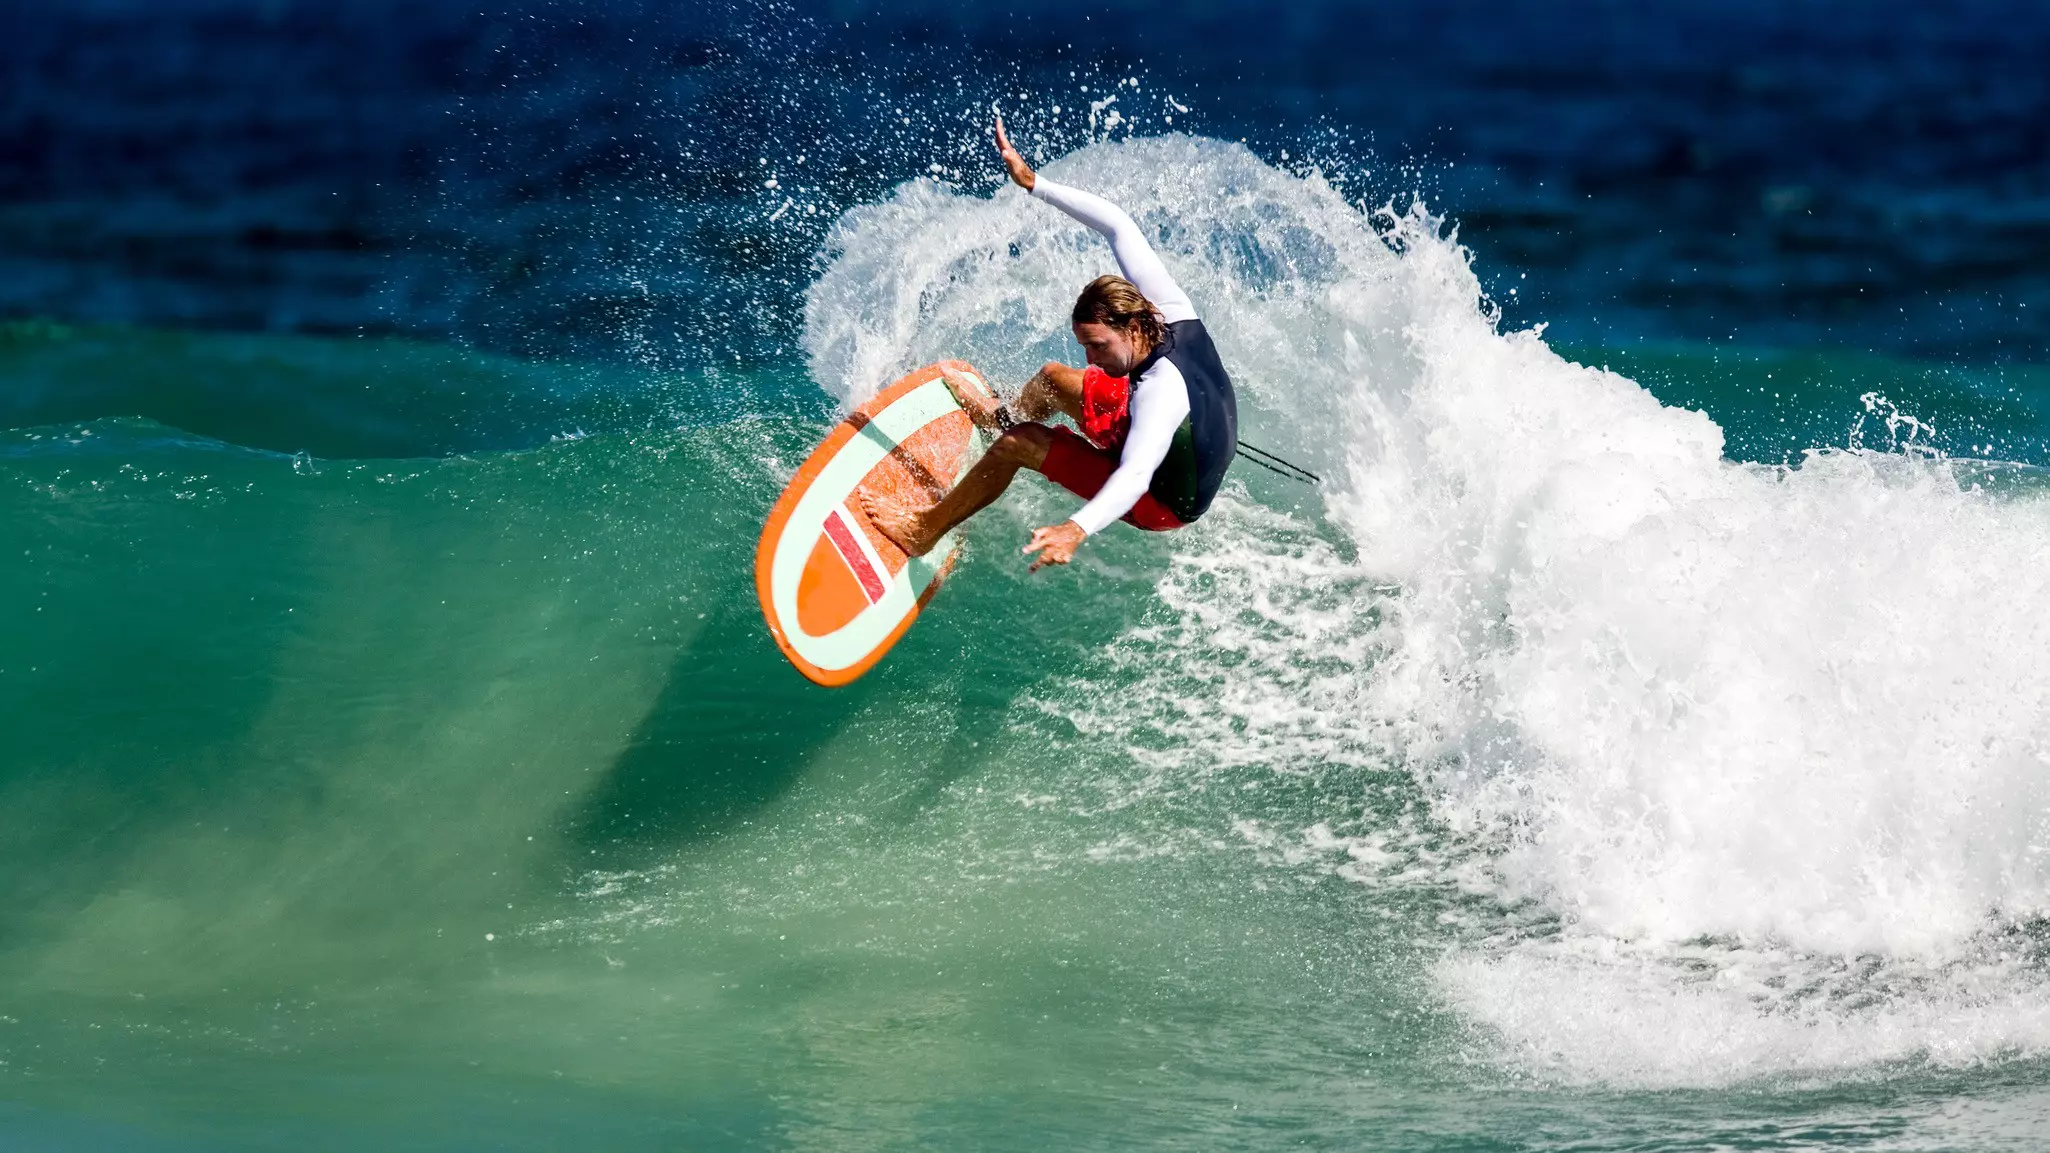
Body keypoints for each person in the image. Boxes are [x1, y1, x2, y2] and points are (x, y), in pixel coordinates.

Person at [863, 115, 1239, 572]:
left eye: (1098, 345)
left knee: (1019, 443)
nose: (1090, 359)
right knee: (1052, 379)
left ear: (1132, 326)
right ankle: (997, 419)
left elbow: (1136, 475)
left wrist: (1075, 528)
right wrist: (1033, 183)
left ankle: (922, 532)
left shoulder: (1159, 391)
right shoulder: (1170, 310)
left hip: (1162, 499)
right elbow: (1119, 226)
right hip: (1183, 441)